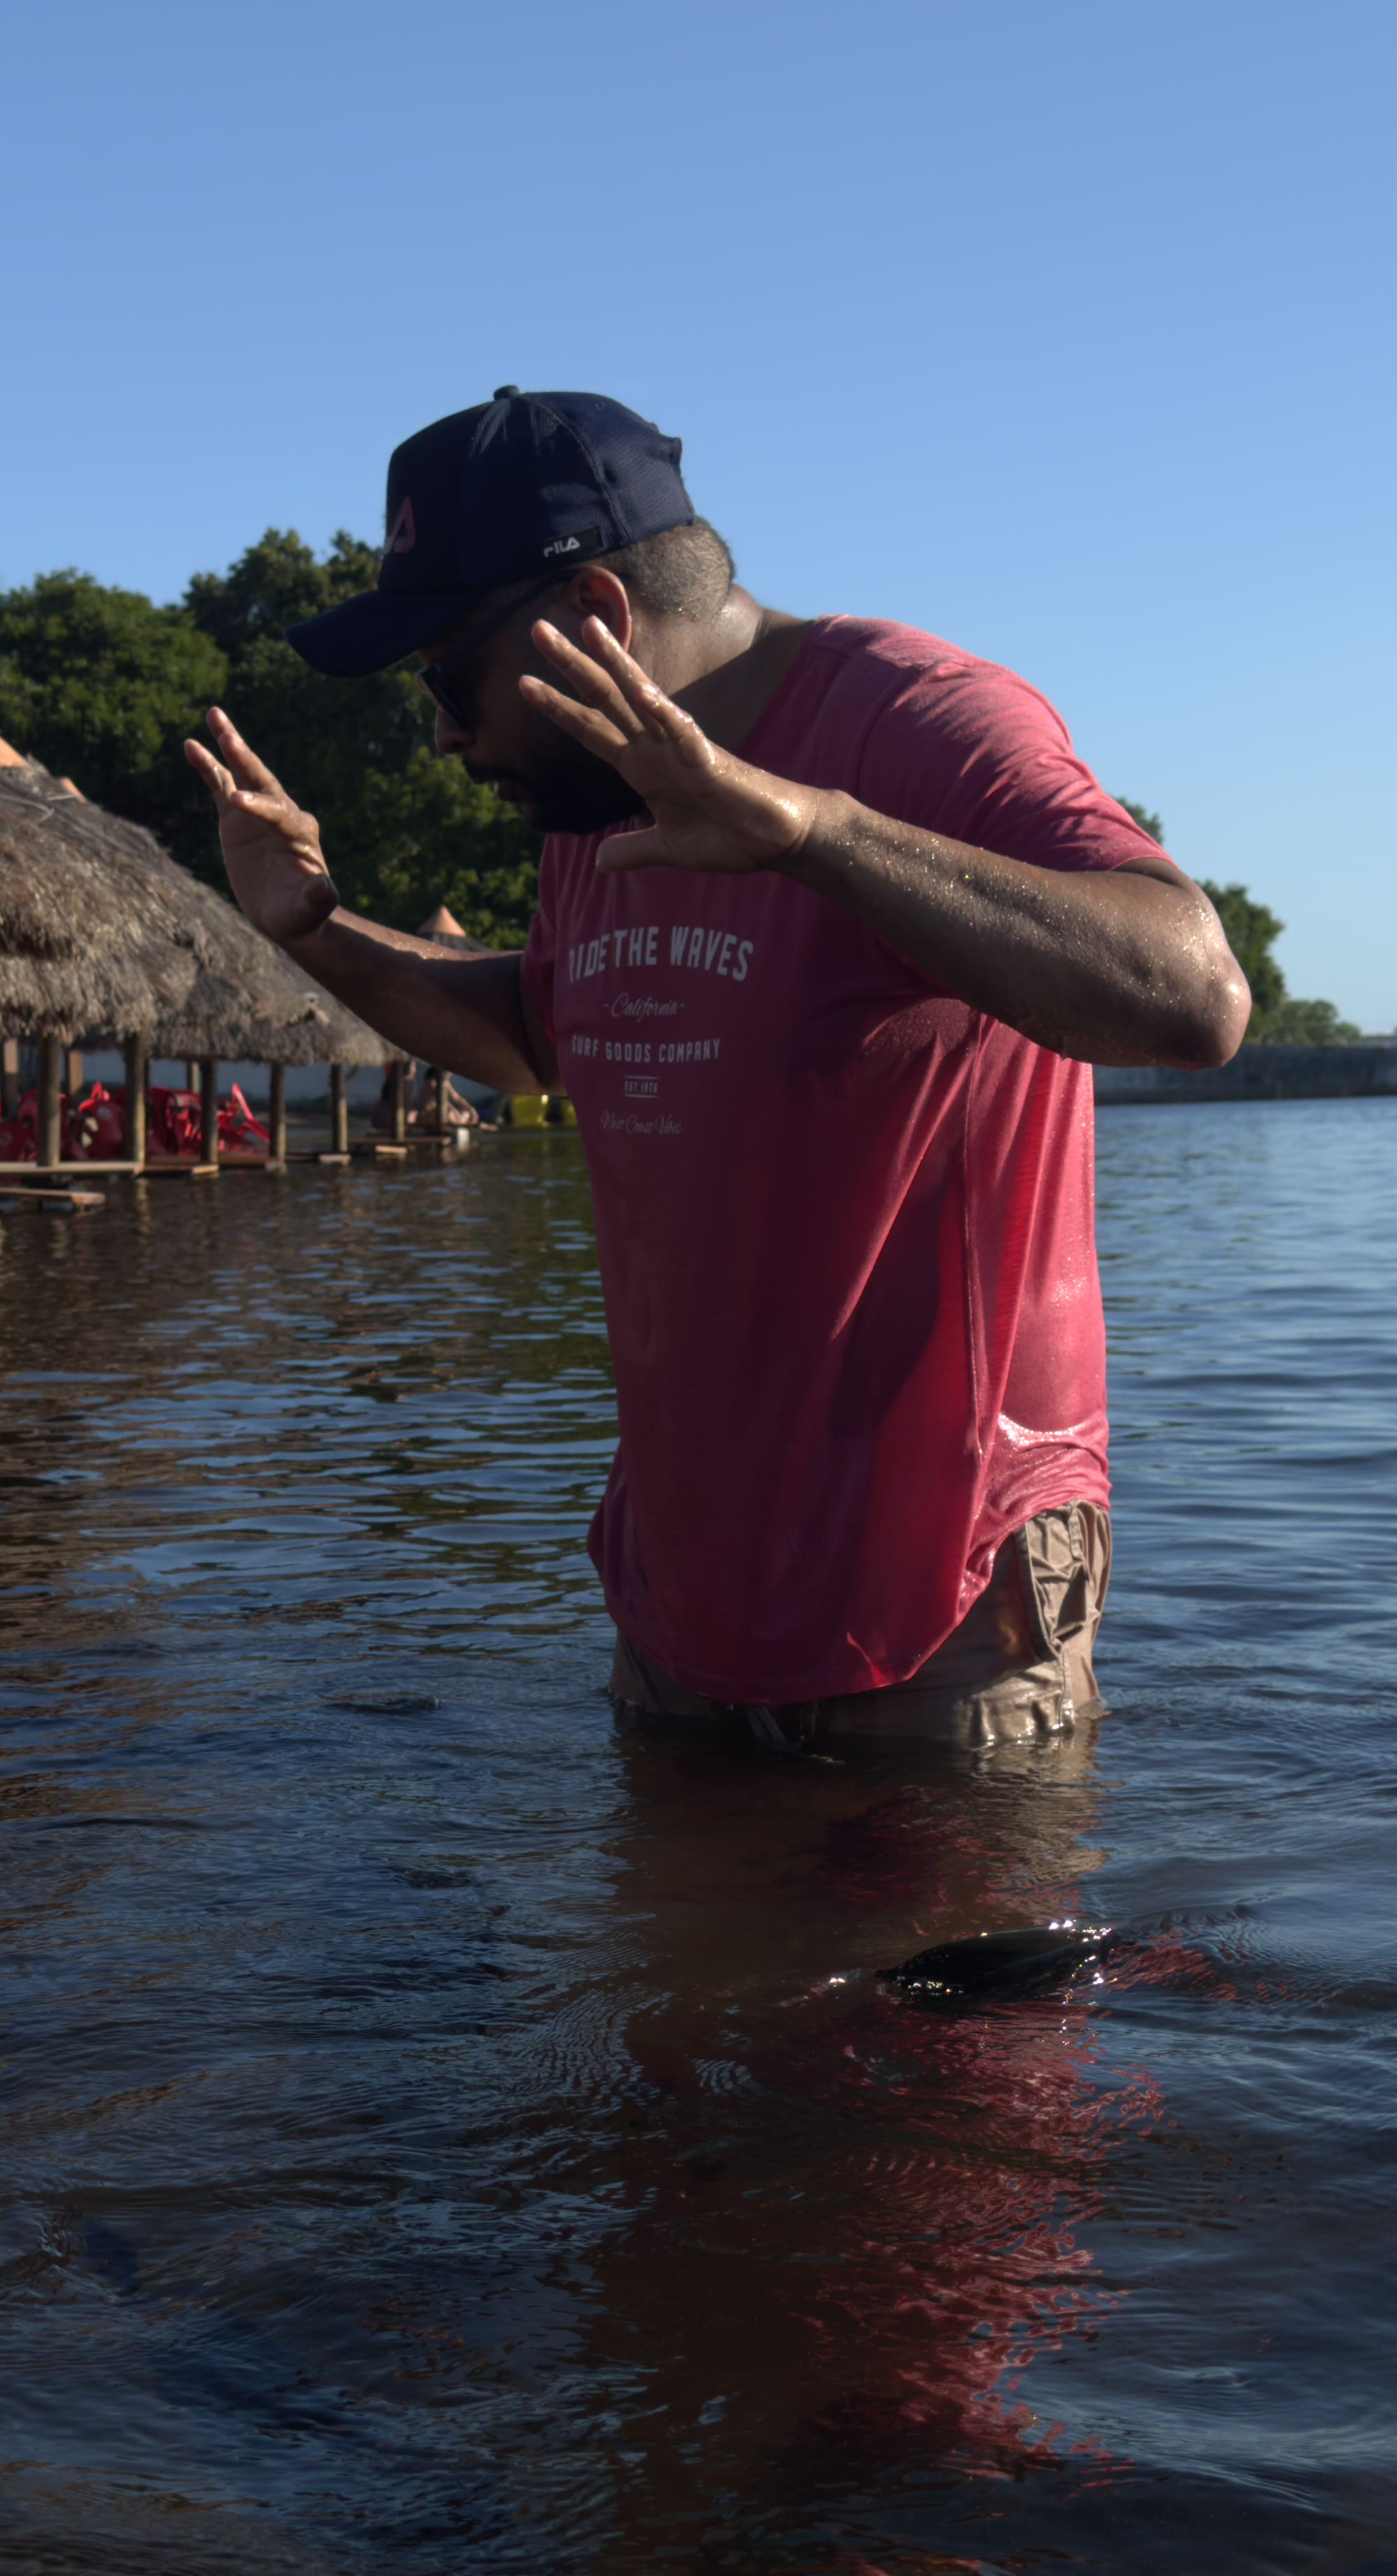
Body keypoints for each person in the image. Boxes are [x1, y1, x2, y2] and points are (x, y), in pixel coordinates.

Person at [184, 389, 1243, 1756]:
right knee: (678, 1978)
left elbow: (1193, 993)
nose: (444, 736)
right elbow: (544, 1039)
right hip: (687, 1591)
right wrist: (321, 938)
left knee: (929, 1976)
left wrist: (808, 832)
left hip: (946, 1598)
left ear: (598, 619)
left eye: (449, 679)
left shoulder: (920, 722)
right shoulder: (596, 797)